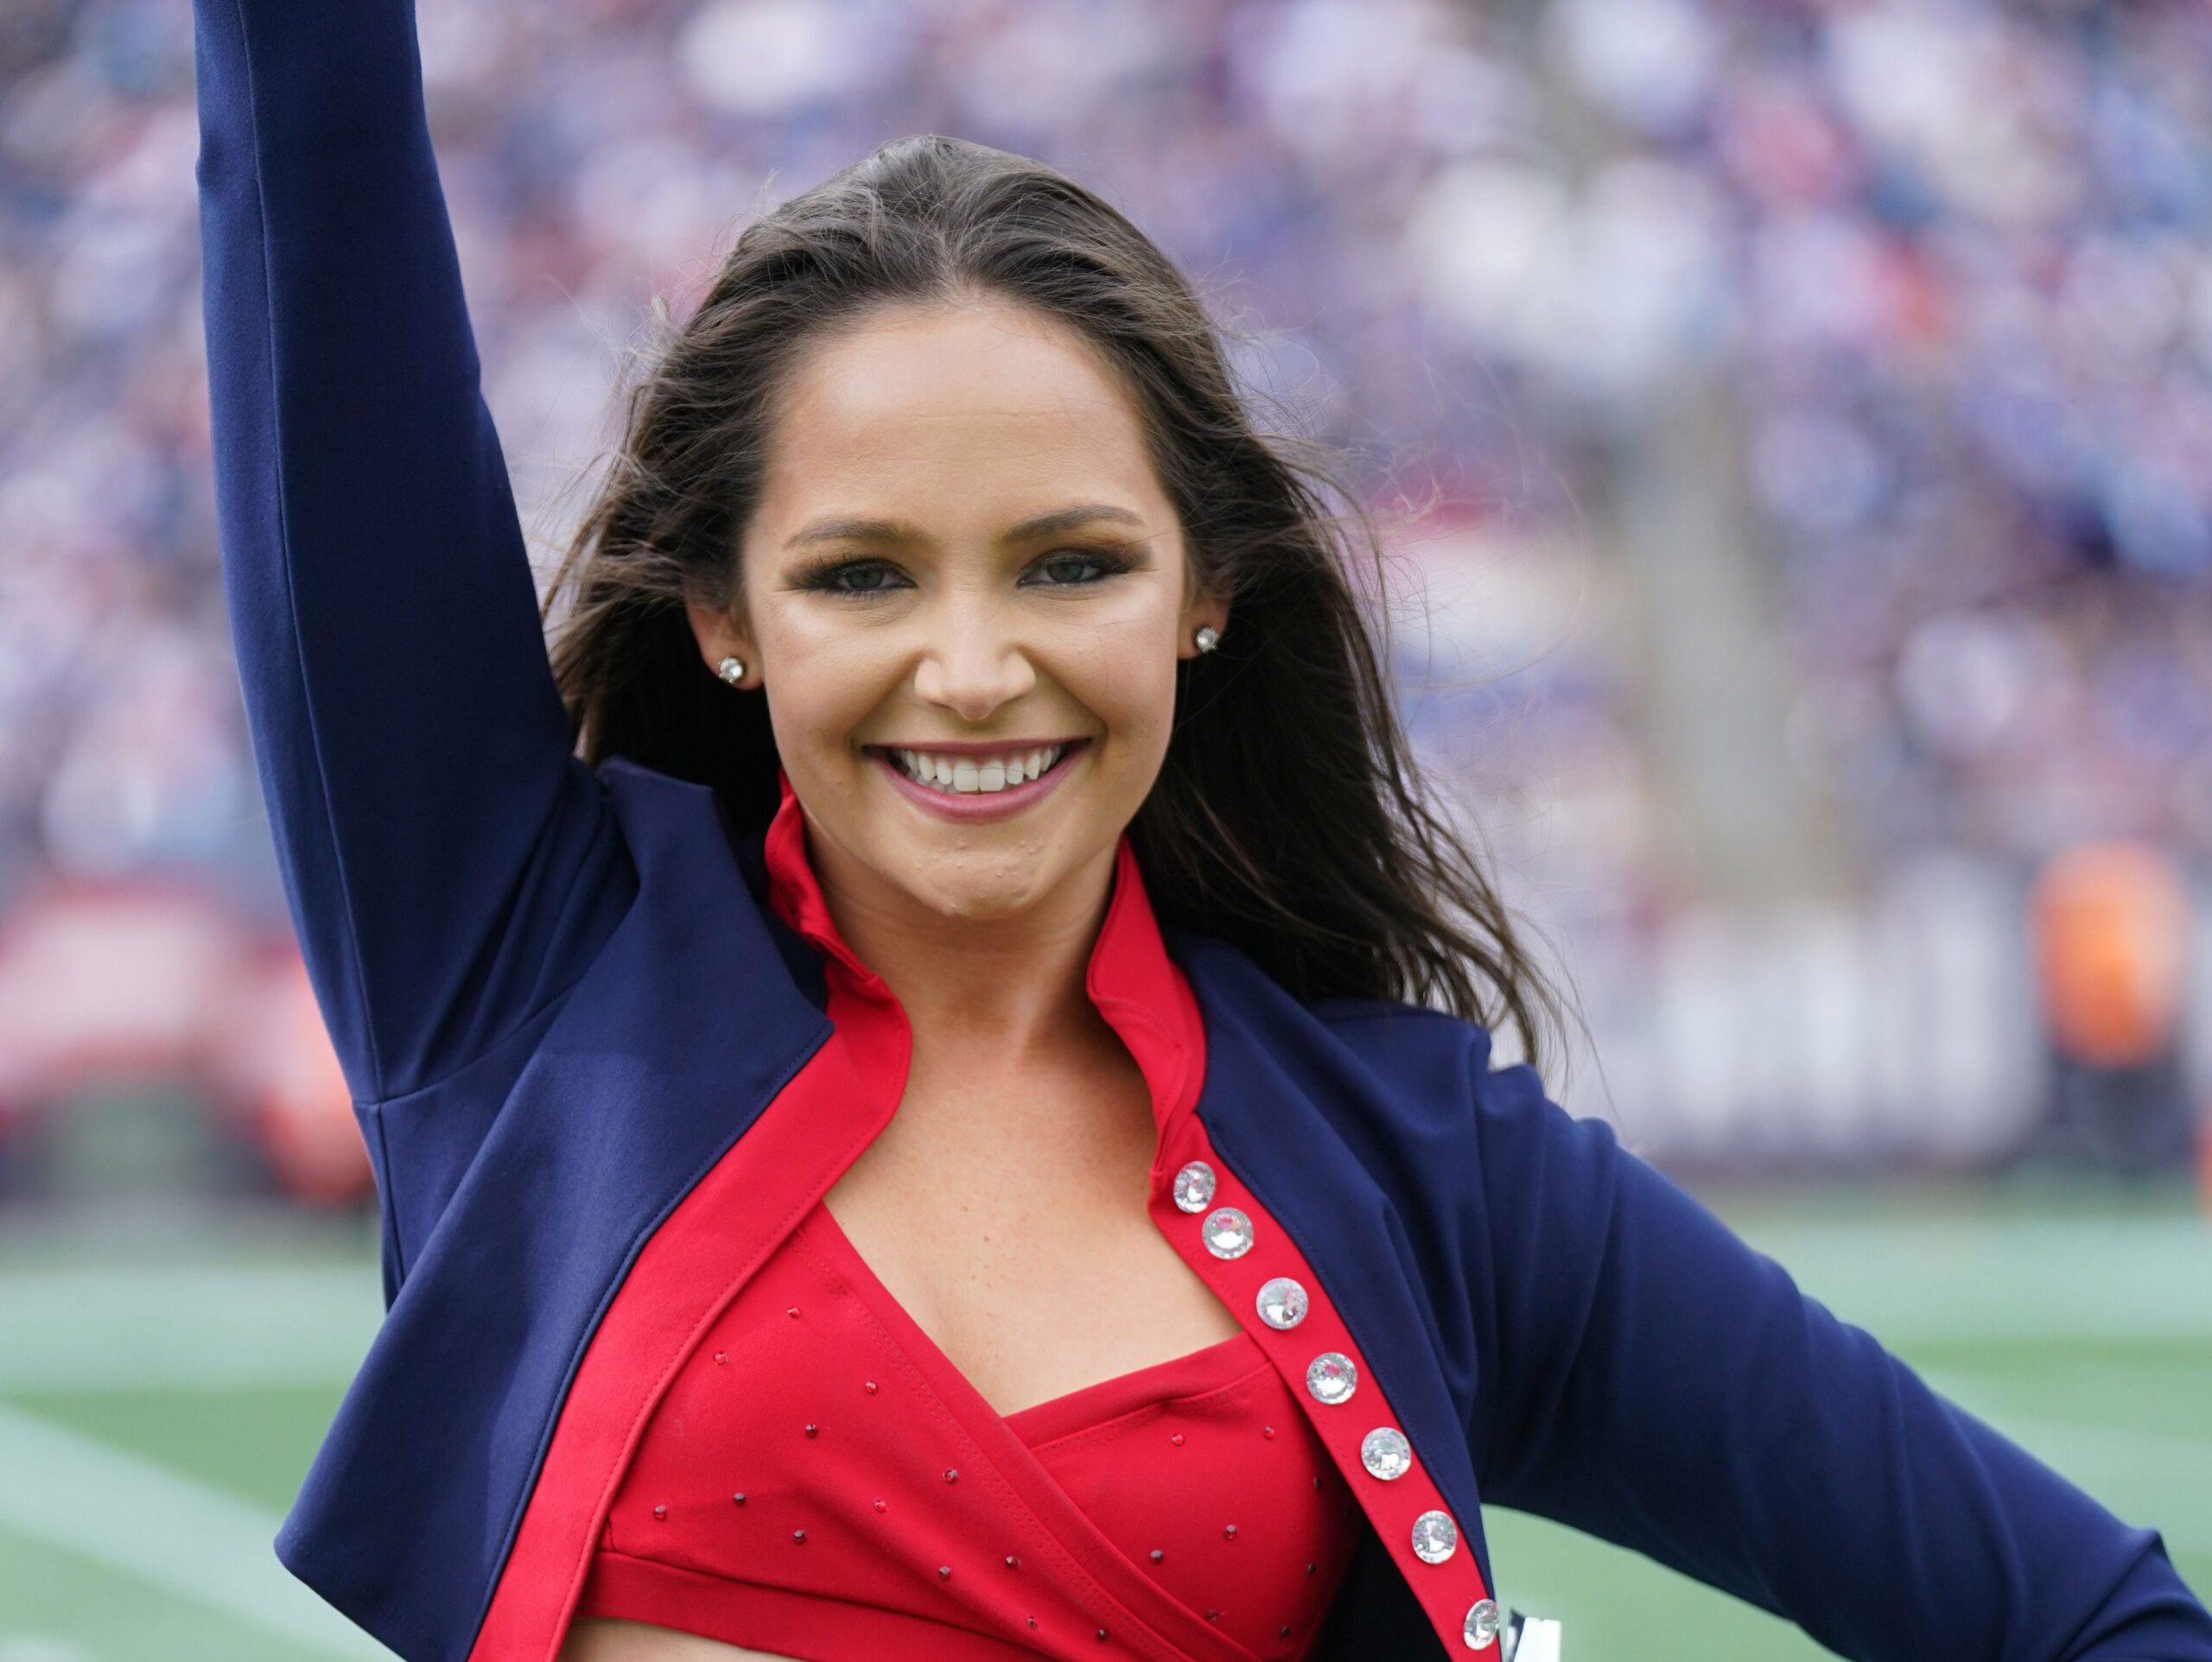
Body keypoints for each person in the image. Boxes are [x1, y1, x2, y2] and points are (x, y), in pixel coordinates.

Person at [188, 1, 2212, 1659]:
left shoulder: (1418, 1156)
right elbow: (313, 183)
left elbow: (2085, 1616)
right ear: (721, 615)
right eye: (862, 577)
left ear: (1203, 591)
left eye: (1067, 565)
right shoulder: (519, 972)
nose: (971, 669)